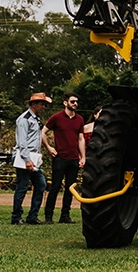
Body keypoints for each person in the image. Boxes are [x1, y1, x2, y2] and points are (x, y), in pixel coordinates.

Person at [41, 92, 85, 224]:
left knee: (70, 188)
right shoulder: (57, 117)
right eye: (72, 101)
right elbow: (43, 132)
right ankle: (48, 216)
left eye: (76, 102)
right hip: (60, 158)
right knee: (55, 187)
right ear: (65, 103)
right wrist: (49, 147)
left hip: (73, 159)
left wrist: (83, 157)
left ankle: (65, 215)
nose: (75, 104)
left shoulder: (79, 119)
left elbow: (81, 138)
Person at [11, 92, 52, 225]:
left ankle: (32, 216)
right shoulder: (24, 119)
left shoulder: (35, 119)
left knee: (41, 185)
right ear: (33, 104)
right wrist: (27, 159)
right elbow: (22, 142)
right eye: (42, 104)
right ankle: (16, 217)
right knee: (22, 187)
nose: (43, 107)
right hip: (25, 157)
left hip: (33, 157)